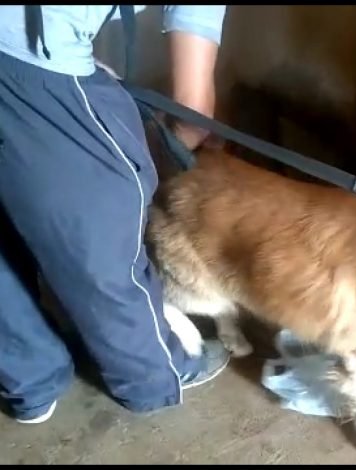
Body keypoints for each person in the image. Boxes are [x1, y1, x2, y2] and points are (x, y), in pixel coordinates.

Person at [0, 5, 230, 424]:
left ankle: (30, 380)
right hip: (29, 58)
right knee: (102, 231)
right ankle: (151, 377)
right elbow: (193, 115)